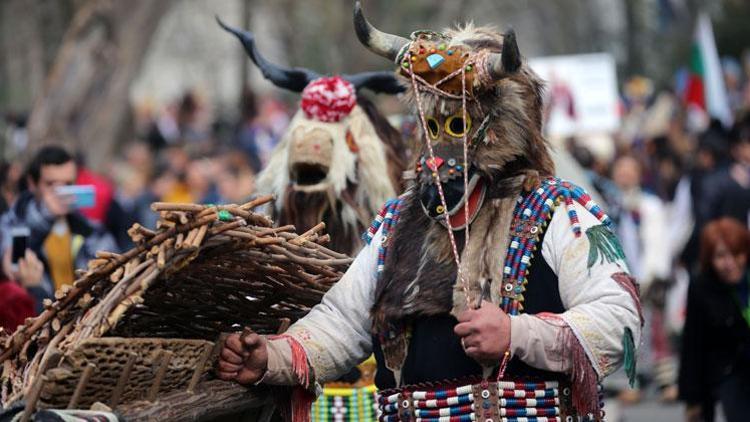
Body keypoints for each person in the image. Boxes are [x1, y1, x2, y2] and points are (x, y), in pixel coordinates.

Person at [218, 5, 642, 421]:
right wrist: (273, 357)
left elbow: (619, 319)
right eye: (434, 128)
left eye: (458, 128)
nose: (441, 153)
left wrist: (519, 334)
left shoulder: (559, 210)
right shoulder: (397, 221)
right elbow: (341, 322)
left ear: (497, 129)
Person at [0, 146, 117, 310]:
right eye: (51, 184)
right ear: (32, 184)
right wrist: (46, 216)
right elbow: (13, 264)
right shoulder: (13, 222)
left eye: (68, 184)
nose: (61, 192)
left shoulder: (90, 229)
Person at [679, 218, 750, 422]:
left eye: (737, 254)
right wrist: (692, 400)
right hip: (725, 375)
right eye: (720, 257)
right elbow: (692, 344)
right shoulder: (702, 286)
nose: (730, 264)